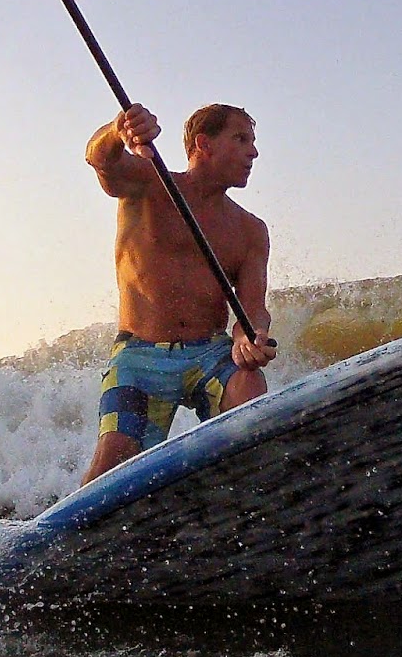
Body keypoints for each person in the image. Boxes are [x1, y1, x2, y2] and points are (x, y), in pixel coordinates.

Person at [79, 101, 277, 485]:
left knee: (250, 386)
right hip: (140, 355)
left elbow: (252, 309)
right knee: (114, 461)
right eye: (241, 139)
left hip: (209, 354)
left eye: (252, 142)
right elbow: (100, 160)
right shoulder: (149, 183)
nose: (253, 152)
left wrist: (251, 337)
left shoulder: (251, 230)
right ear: (204, 144)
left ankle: (247, 494)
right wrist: (120, 129)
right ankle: (79, 524)